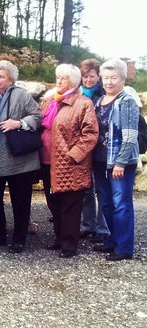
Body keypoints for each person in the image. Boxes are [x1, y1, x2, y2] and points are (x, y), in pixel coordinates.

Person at [0, 60, 42, 254]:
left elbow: (38, 116)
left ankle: (19, 238)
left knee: (21, 200)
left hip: (18, 159)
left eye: (1, 76)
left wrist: (19, 123)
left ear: (11, 80)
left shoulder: (21, 95)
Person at [40, 64, 98, 258]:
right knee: (54, 204)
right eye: (57, 78)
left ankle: (69, 245)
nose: (58, 81)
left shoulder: (83, 104)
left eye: (63, 78)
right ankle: (59, 238)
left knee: (70, 207)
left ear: (73, 82)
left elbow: (90, 134)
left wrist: (73, 155)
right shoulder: (50, 101)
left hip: (71, 165)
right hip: (48, 162)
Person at [92, 58, 138, 261]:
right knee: (107, 204)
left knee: (121, 204)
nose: (109, 82)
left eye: (114, 78)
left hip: (120, 163)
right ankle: (112, 241)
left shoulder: (126, 101)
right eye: (106, 78)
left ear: (122, 79)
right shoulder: (99, 101)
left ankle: (124, 247)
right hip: (100, 161)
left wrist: (120, 162)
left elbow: (129, 136)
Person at [78, 58, 109, 243]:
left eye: (91, 76)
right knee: (86, 189)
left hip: (99, 148)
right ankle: (87, 225)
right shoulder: (78, 93)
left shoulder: (103, 94)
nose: (88, 80)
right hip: (82, 148)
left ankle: (102, 228)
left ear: (98, 77)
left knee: (101, 189)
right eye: (85, 76)